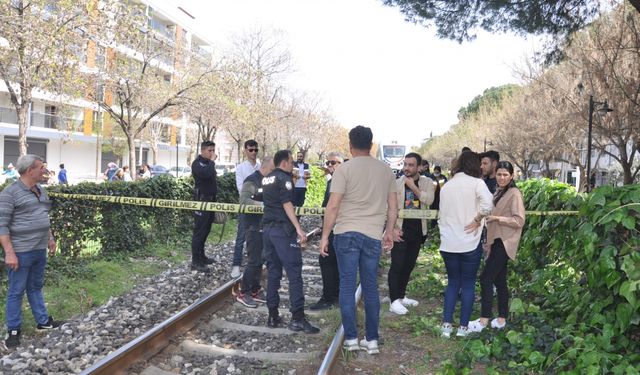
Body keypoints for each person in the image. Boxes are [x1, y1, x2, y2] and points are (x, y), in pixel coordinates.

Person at [320, 125, 398, 355]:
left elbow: (333, 206)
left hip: (345, 234)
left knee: (346, 285)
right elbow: (393, 208)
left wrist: (325, 235)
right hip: (372, 235)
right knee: (370, 288)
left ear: (350, 145)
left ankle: (352, 339)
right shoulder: (386, 171)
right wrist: (389, 231)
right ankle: (372, 340)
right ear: (371, 145)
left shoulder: (343, 170)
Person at [0, 155, 65, 350]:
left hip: (38, 250)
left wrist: (50, 238)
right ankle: (13, 331)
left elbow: (43, 217)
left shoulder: (40, 190)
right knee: (16, 291)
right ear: (30, 170)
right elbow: (2, 225)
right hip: (20, 252)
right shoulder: (10, 193)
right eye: (41, 168)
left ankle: (43, 321)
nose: (44, 171)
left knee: (35, 286)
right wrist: (9, 253)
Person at [262, 150, 319, 334]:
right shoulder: (284, 178)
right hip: (282, 231)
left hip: (268, 230)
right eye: (292, 161)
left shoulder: (267, 177)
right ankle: (297, 318)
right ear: (285, 162)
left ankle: (272, 315)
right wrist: (298, 228)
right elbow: (287, 204)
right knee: (294, 273)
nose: (293, 165)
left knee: (273, 272)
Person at [438, 151, 493, 338]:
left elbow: (441, 215)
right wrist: (478, 219)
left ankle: (446, 325)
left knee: (453, 283)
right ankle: (462, 328)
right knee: (468, 284)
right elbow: (488, 205)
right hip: (470, 242)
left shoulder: (447, 186)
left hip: (448, 243)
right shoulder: (478, 183)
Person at [469, 161, 525, 332]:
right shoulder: (500, 191)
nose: (502, 178)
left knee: (486, 278)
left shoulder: (514, 193)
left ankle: (484, 320)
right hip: (496, 241)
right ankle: (501, 319)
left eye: (505, 175)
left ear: (511, 176)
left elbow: (519, 220)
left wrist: (498, 219)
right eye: (499, 174)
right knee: (500, 281)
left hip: (505, 242)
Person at [388, 152, 435, 315]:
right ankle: (393, 300)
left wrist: (413, 187)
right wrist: (392, 229)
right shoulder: (395, 183)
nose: (407, 168)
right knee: (397, 265)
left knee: (408, 265)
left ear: (419, 167)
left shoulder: (428, 182)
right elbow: (388, 207)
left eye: (411, 165)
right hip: (400, 230)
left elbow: (429, 200)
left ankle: (401, 296)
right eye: (405, 164)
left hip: (418, 231)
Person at [236, 156, 275, 308]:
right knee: (253, 260)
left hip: (264, 225)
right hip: (252, 225)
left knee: (261, 259)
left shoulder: (269, 180)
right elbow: (244, 201)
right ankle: (243, 292)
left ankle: (254, 289)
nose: (274, 173)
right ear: (265, 168)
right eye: (272, 170)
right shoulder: (251, 180)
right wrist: (263, 205)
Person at [309, 151, 344, 311]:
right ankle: (334, 295)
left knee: (327, 261)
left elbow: (333, 207)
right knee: (333, 262)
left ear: (342, 164)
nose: (329, 165)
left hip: (338, 228)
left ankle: (329, 297)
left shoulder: (340, 180)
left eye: (333, 162)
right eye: (328, 162)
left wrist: (326, 232)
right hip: (334, 227)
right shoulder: (334, 180)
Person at [233, 140, 261, 278]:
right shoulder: (240, 168)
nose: (254, 152)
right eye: (251, 150)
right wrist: (253, 200)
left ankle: (256, 264)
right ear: (245, 150)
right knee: (241, 236)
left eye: (256, 150)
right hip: (246, 206)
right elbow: (240, 188)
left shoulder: (261, 166)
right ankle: (236, 265)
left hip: (260, 208)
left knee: (259, 236)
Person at [190, 141, 218, 273]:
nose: (212, 153)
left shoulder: (208, 164)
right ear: (203, 150)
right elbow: (205, 174)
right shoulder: (198, 163)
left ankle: (202, 256)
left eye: (213, 150)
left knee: (206, 230)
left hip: (211, 201)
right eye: (210, 151)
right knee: (199, 232)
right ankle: (195, 261)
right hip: (201, 202)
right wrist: (212, 162)